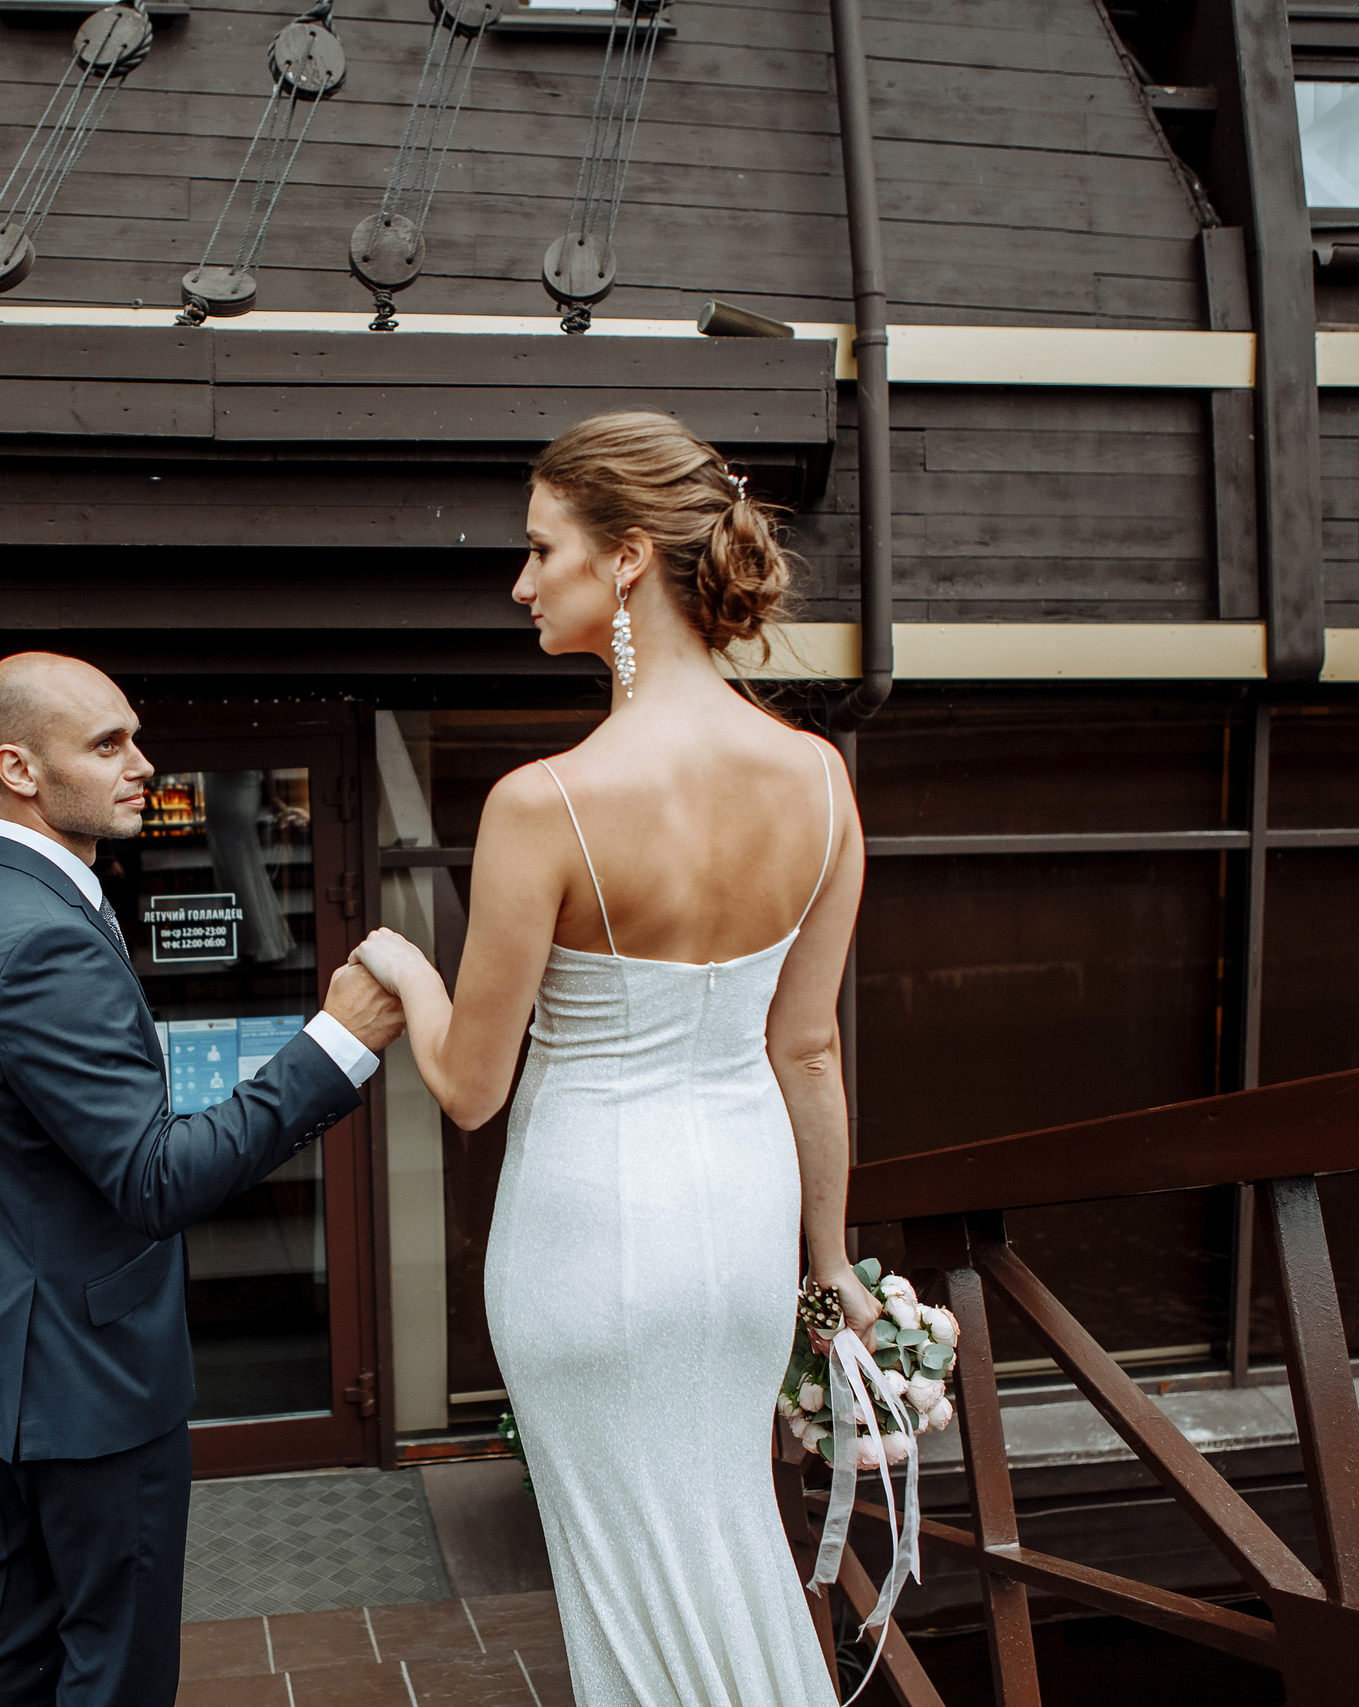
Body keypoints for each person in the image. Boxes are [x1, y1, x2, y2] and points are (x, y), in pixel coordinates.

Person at [350, 411, 882, 1707]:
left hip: (589, 1238)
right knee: (727, 1534)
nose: (521, 581)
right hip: (742, 1231)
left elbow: (470, 1086)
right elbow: (805, 1048)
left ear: (630, 555)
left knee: (627, 1589)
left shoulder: (546, 803)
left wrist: (407, 963)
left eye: (542, 550)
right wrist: (828, 1267)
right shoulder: (820, 782)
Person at [0, 652, 405, 1707]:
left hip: (3, 1356)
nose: (144, 763)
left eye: (133, 735)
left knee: (24, 1612)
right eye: (108, 744)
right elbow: (154, 1180)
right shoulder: (42, 940)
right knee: (114, 1659)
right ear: (18, 767)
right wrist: (333, 1045)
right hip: (85, 1378)